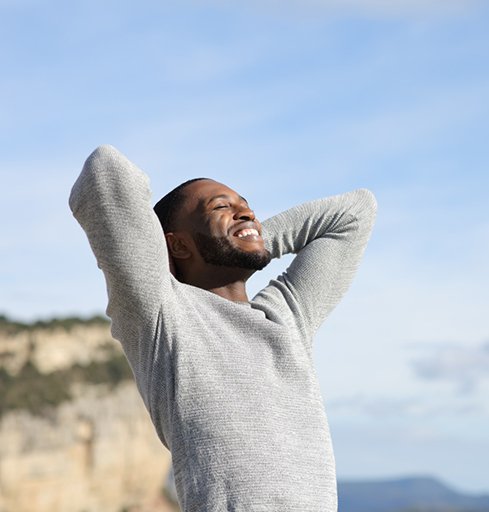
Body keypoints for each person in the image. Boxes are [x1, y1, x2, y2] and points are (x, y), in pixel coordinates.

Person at [69, 144, 377, 512]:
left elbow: (356, 212)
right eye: (220, 207)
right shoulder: (161, 312)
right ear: (178, 244)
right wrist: (184, 255)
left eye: (245, 205)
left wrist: (251, 239)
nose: (246, 211)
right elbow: (105, 171)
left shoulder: (287, 317)